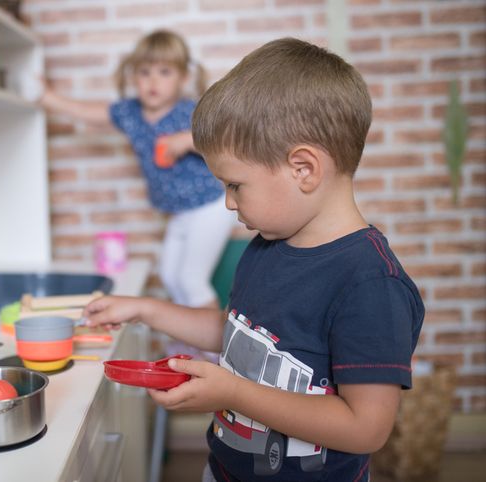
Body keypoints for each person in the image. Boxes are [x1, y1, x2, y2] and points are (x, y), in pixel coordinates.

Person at [83, 37, 425, 482]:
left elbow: (366, 429)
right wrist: (146, 310)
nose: (227, 202)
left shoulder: (370, 284)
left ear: (303, 169)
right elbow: (237, 333)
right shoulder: (265, 247)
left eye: (235, 185)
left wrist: (233, 393)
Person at [40, 29, 234, 310]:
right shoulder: (130, 113)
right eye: (145, 72)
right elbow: (89, 113)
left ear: (183, 78)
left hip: (210, 206)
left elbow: (225, 140)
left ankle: (212, 347)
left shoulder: (189, 112)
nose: (153, 81)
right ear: (133, 77)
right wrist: (48, 98)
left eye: (164, 72)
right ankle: (188, 340)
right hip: (181, 212)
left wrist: (188, 140)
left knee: (192, 280)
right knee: (170, 276)